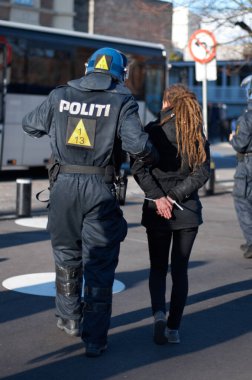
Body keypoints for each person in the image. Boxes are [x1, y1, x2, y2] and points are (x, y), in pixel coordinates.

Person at [22, 47, 159, 357]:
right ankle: (95, 339)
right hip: (100, 188)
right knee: (99, 264)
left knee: (66, 254)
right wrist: (153, 151)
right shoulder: (122, 100)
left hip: (64, 187)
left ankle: (70, 319)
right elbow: (139, 146)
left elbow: (31, 124)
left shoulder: (61, 95)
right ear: (120, 73)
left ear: (89, 68)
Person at [131, 84, 210, 345]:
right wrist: (175, 197)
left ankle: (158, 316)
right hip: (186, 211)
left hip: (157, 211)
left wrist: (160, 198)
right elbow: (202, 173)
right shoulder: (195, 133)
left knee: (157, 268)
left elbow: (140, 170)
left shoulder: (152, 130)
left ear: (167, 103)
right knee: (180, 270)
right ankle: (174, 328)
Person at [229, 75, 252, 259]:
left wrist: (232, 139)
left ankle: (251, 243)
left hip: (247, 165)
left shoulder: (246, 117)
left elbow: (241, 144)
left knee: (243, 203)